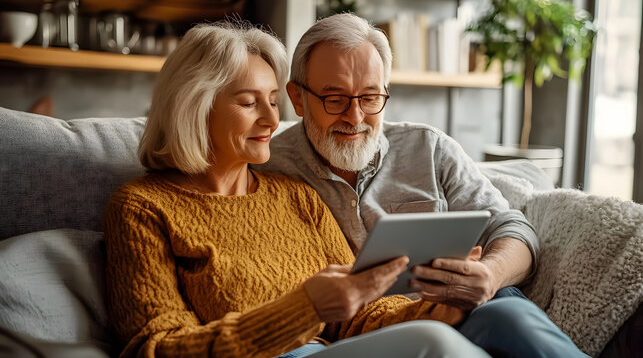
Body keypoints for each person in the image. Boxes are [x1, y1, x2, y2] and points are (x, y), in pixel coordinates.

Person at [103, 22, 492, 358]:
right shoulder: (142, 208)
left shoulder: (295, 195)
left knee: (455, 328)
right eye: (249, 102)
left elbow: (362, 315)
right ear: (196, 106)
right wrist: (306, 308)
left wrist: (440, 307)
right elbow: (154, 348)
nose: (273, 119)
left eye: (273, 101)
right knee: (433, 344)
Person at [256, 13, 589, 357]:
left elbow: (513, 229)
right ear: (297, 99)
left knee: (509, 314)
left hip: (460, 310)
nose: (354, 118)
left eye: (370, 97)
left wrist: (489, 275)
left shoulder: (428, 148)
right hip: (362, 336)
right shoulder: (266, 167)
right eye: (335, 99)